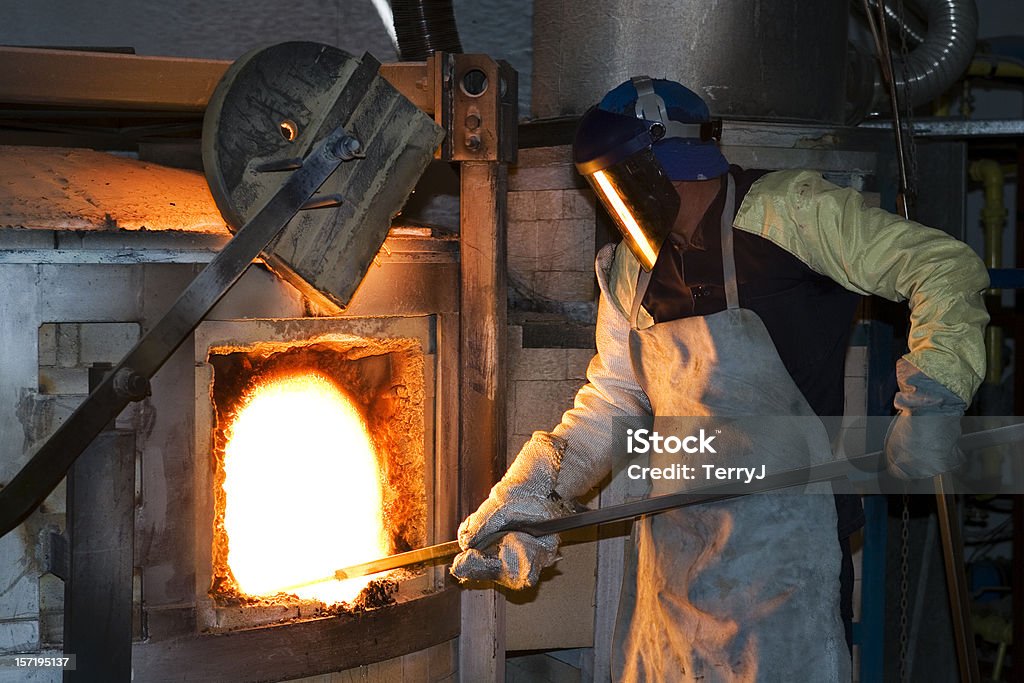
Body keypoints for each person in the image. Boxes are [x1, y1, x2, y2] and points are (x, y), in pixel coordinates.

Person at [450, 76, 989, 681]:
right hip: (676, 556)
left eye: (614, 181)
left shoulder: (792, 214)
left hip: (785, 553)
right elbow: (613, 400)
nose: (610, 203)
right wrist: (532, 499)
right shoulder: (630, 268)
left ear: (655, 167)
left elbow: (942, 267)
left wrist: (934, 401)